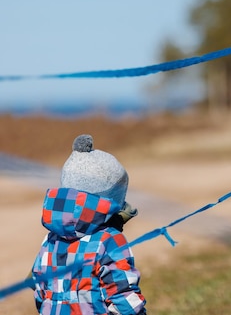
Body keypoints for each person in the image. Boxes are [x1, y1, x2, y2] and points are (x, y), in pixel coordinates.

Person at [31, 134, 147, 314]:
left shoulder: (49, 240)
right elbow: (123, 297)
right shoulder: (110, 240)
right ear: (110, 201)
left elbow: (40, 291)